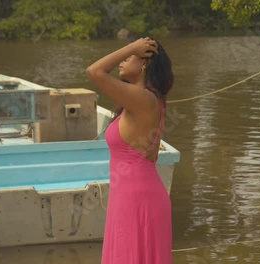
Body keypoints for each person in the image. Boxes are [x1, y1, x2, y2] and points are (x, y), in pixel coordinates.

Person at [86, 37, 174, 264]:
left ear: (144, 64)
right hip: (129, 197)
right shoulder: (140, 99)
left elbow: (94, 71)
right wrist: (132, 50)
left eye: (129, 57)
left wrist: (131, 47)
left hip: (138, 200)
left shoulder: (144, 99)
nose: (121, 61)